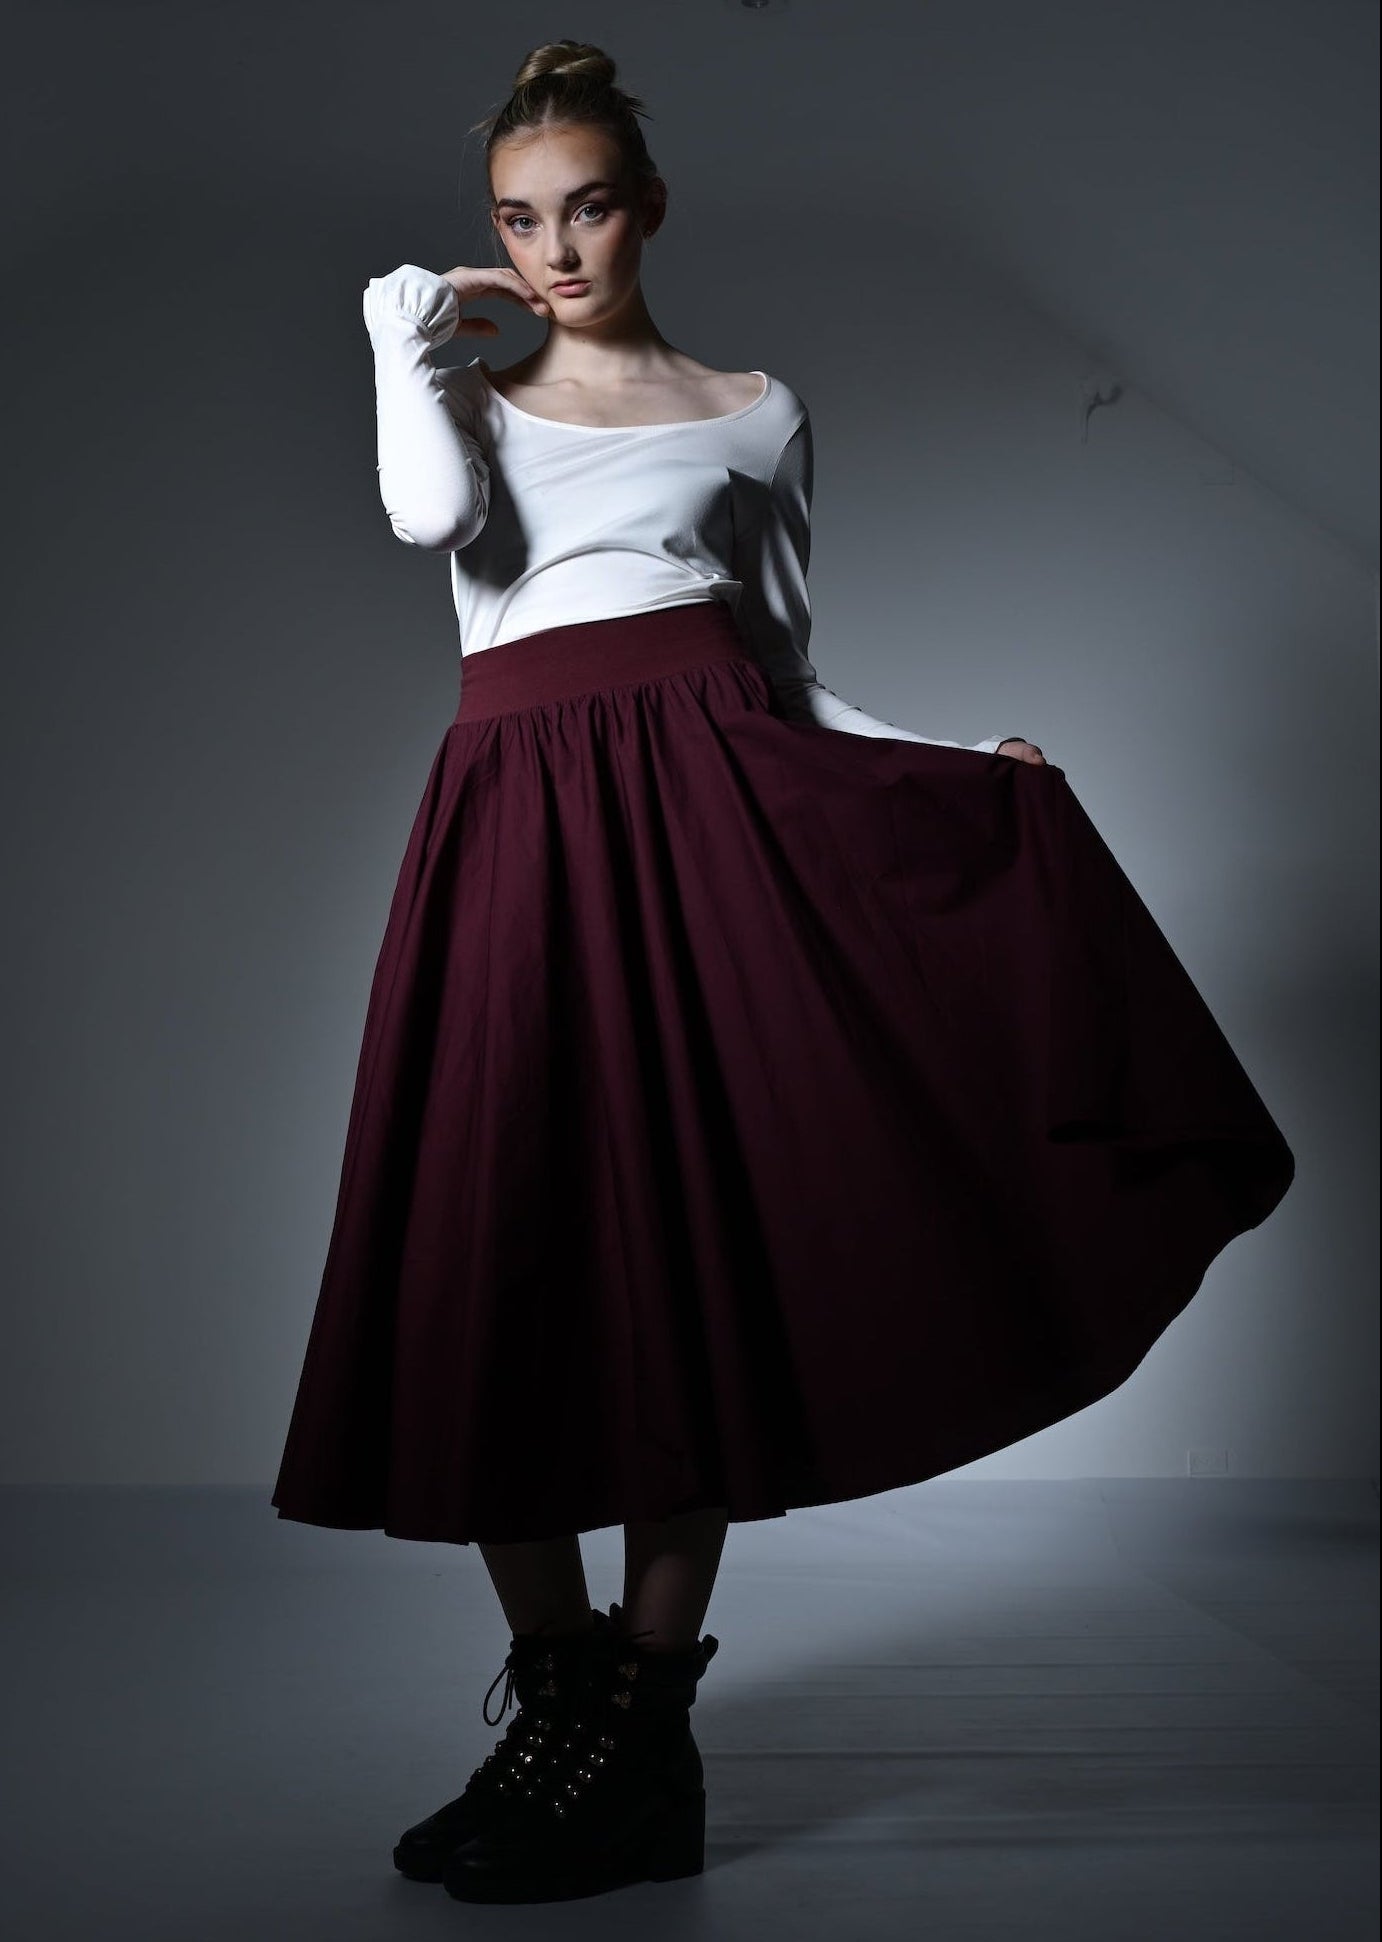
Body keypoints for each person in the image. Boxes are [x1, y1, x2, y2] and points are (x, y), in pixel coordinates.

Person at [270, 38, 1295, 1908]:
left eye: (584, 206)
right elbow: (430, 527)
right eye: (518, 218)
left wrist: (946, 771)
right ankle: (561, 1700)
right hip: (515, 834)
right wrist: (396, 318)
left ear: (645, 207)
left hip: (708, 834)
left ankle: (642, 1722)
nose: (554, 247)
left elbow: (789, 675)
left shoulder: (752, 413)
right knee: (496, 1245)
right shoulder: (464, 401)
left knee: (689, 1252)